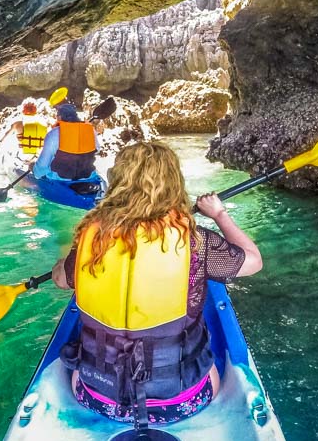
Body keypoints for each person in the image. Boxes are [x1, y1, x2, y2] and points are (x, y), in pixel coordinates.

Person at [51, 141, 262, 426]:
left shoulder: (93, 236)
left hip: (97, 398)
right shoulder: (193, 241)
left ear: (118, 182)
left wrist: (75, 251)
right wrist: (219, 215)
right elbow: (253, 261)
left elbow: (61, 280)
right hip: (182, 402)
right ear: (174, 183)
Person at [33, 102, 99, 181]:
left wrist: (35, 171)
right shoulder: (90, 131)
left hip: (60, 179)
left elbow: (42, 166)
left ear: (60, 117)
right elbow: (97, 150)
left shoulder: (54, 134)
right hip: (88, 177)